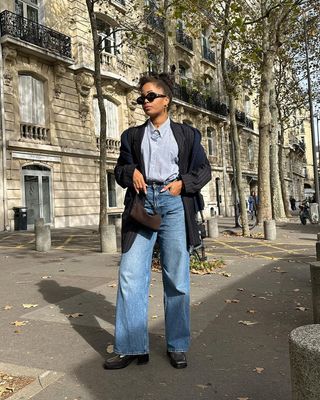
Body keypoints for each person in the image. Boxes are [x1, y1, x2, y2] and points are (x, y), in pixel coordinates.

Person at [103, 73, 211, 370]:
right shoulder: (132, 136)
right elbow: (120, 169)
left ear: (167, 100)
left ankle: (177, 344)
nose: (145, 102)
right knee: (130, 274)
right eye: (141, 98)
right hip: (141, 203)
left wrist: (183, 184)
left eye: (150, 96)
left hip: (174, 203)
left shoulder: (187, 135)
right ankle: (131, 346)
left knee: (176, 277)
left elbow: (204, 169)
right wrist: (131, 173)